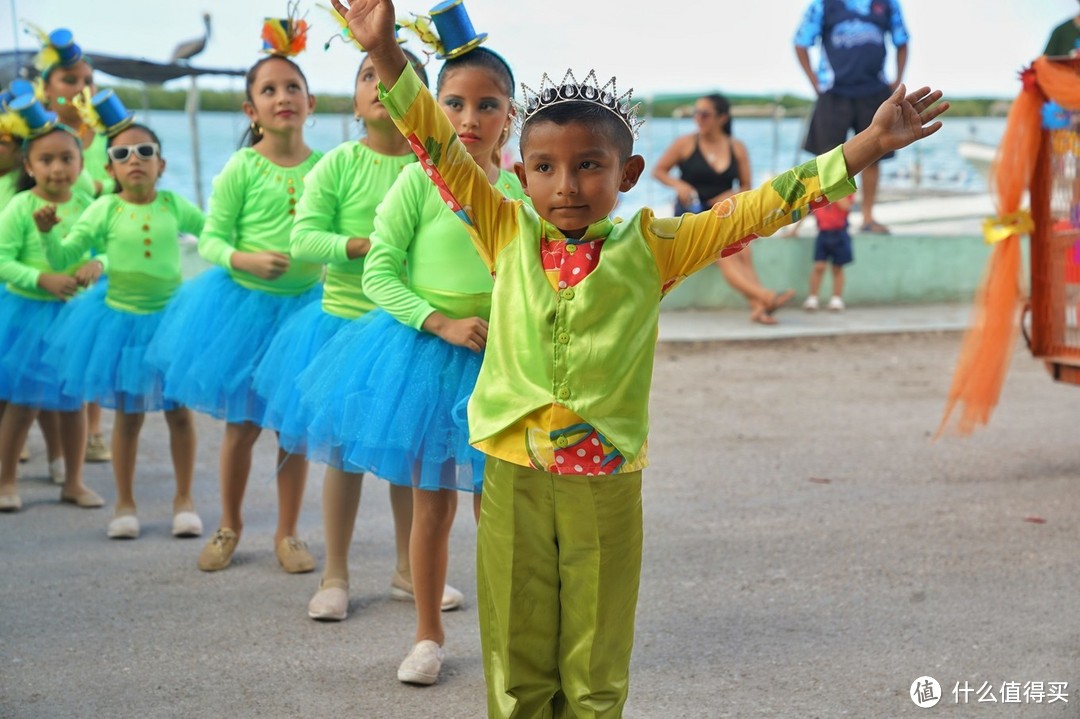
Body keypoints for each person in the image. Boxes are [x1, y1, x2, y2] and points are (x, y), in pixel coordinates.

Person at [335, 0, 947, 713]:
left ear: (626, 174)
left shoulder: (651, 247)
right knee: (515, 652)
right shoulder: (501, 226)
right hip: (510, 468)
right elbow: (437, 147)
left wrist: (864, 147)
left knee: (594, 659)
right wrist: (383, 55)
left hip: (605, 476)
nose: (566, 186)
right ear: (518, 174)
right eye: (545, 167)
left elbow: (759, 207)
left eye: (587, 165)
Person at [297, 17, 524, 683]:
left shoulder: (518, 192)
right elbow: (379, 273)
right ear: (431, 110)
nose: (470, 117)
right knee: (433, 505)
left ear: (510, 118)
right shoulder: (418, 183)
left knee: (501, 509)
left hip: (501, 365)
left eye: (488, 104)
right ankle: (427, 633)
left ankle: (509, 635)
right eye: (453, 102)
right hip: (426, 360)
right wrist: (439, 322)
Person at [252, 51, 463, 621]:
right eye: (368, 76)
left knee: (410, 454)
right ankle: (336, 573)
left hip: (408, 332)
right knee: (342, 457)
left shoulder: (437, 168)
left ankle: (406, 571)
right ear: (353, 100)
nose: (381, 86)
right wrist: (362, 247)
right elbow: (303, 240)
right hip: (347, 329)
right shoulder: (339, 164)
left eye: (397, 79)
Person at [147, 23, 323, 573]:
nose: (282, 98)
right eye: (268, 91)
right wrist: (244, 259)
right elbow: (213, 239)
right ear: (251, 111)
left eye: (291, 87)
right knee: (241, 427)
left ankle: (289, 533)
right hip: (243, 310)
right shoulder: (242, 167)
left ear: (310, 102)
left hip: (305, 312)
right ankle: (229, 524)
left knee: (290, 428)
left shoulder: (326, 167)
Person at [38, 112, 205, 540]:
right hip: (121, 322)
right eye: (123, 153)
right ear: (109, 168)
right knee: (129, 417)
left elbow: (215, 235)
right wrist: (48, 236)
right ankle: (125, 503)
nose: (136, 159)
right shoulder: (104, 208)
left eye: (146, 151)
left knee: (178, 413)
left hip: (170, 321)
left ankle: (184, 500)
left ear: (161, 165)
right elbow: (64, 259)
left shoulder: (174, 205)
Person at [0, 97, 103, 513]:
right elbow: (3, 260)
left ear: (80, 164)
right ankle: (7, 479)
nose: (57, 168)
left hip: (74, 316)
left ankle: (74, 481)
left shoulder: (87, 206)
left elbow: (104, 248)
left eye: (66, 158)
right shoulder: (20, 207)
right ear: (30, 167)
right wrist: (41, 277)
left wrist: (99, 263)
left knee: (73, 401)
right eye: (46, 160)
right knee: (23, 403)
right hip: (28, 313)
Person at [31, 26, 114, 462]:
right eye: (69, 80)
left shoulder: (107, 141)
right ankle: (28, 425)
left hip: (93, 254)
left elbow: (118, 188)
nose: (80, 88)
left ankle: (93, 429)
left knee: (89, 342)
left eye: (87, 81)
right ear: (46, 89)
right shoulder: (35, 139)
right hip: (40, 250)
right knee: (35, 344)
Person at [653, 93, 795, 324]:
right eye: (696, 113)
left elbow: (747, 186)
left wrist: (730, 195)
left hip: (725, 212)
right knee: (725, 253)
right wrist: (679, 184)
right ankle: (766, 297)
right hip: (694, 215)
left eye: (705, 114)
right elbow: (658, 171)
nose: (698, 118)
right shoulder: (685, 144)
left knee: (744, 250)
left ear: (722, 118)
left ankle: (759, 308)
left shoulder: (736, 147)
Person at [794, 0, 909, 235]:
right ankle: (822, 218)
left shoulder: (887, 4)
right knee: (825, 158)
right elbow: (800, 42)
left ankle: (867, 217)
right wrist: (815, 82)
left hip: (874, 90)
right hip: (834, 91)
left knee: (875, 153)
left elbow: (902, 40)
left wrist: (897, 79)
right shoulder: (823, 4)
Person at [802, 193, 854, 311]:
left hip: (839, 232)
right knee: (819, 266)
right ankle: (813, 297)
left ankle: (836, 298)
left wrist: (834, 191)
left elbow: (845, 206)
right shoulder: (820, 192)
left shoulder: (844, 191)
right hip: (823, 233)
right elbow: (808, 210)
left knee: (837, 267)